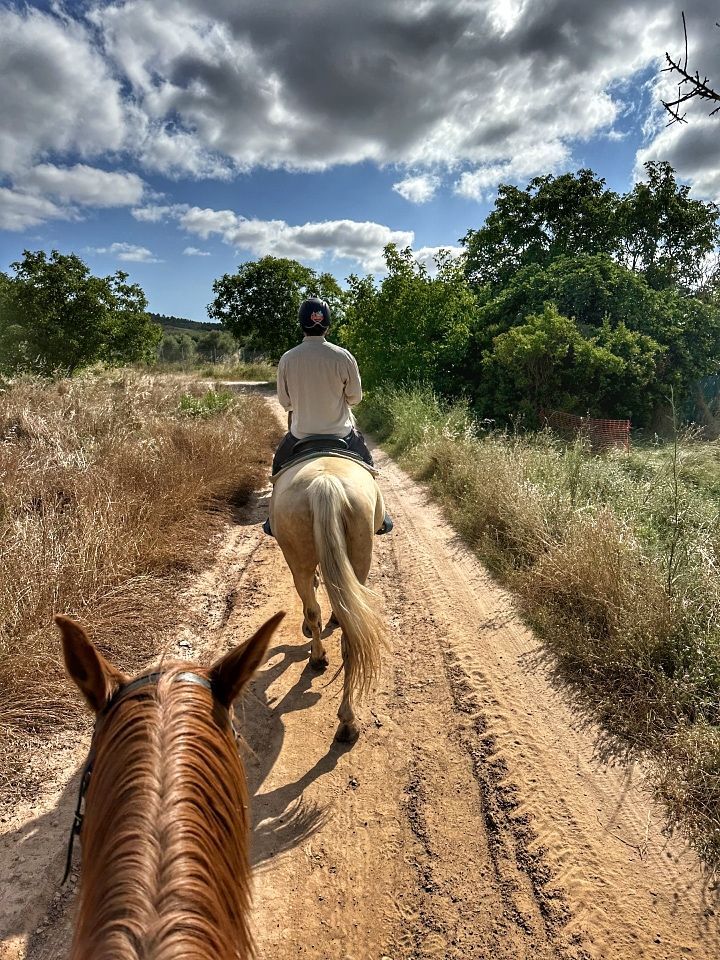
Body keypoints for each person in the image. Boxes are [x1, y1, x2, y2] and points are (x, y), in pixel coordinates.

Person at [263, 296, 392, 536]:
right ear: (328, 325)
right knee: (368, 466)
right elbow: (355, 398)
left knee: (278, 467)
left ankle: (273, 518)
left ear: (301, 325)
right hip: (342, 435)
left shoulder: (288, 359)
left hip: (300, 436)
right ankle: (380, 515)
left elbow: (285, 402)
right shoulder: (343, 356)